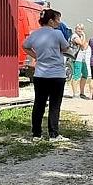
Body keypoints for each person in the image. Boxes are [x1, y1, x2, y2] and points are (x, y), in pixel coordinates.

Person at [22, 8, 70, 142]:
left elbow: (24, 46)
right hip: (57, 75)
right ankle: (54, 134)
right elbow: (66, 49)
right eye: (57, 19)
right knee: (54, 105)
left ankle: (36, 134)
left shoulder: (34, 34)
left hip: (40, 75)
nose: (59, 23)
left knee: (39, 104)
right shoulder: (58, 34)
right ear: (50, 21)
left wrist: (36, 56)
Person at [70, 23, 90, 99]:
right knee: (76, 75)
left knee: (85, 74)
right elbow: (82, 44)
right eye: (79, 28)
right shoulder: (74, 36)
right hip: (76, 58)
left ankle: (82, 92)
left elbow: (85, 47)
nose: (80, 30)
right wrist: (84, 36)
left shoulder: (80, 37)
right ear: (75, 29)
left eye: (82, 29)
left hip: (82, 59)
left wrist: (83, 40)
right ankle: (75, 93)